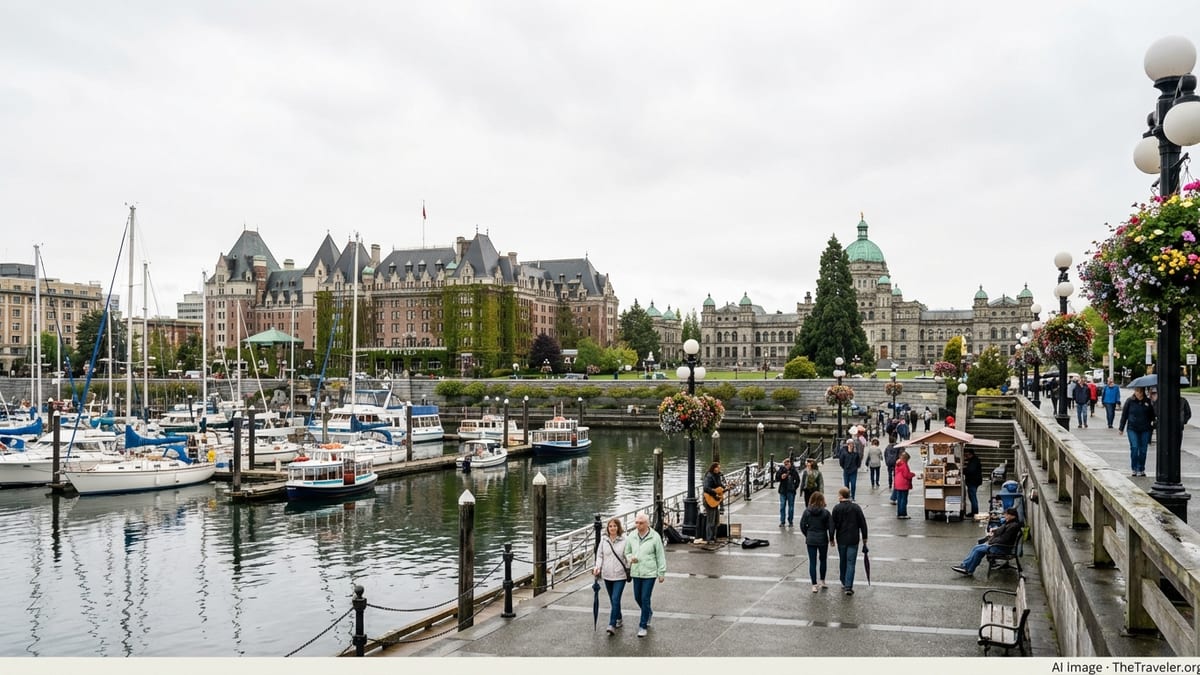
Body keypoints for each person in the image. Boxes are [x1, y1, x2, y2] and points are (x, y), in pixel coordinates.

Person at [625, 513, 666, 637]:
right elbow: (627, 552)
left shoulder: (655, 537)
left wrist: (661, 572)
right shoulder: (632, 536)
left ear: (647, 523)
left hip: (650, 572)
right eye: (636, 522)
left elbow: (660, 555)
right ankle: (648, 612)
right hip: (636, 571)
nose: (638, 525)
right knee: (637, 597)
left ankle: (643, 626)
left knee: (645, 597)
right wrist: (630, 558)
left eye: (641, 523)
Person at [952, 507, 1022, 576]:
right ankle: (965, 566)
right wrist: (994, 531)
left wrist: (991, 542)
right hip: (1000, 546)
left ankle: (968, 569)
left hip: (1002, 548)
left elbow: (1004, 539)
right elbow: (1001, 531)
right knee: (977, 547)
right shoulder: (1010, 523)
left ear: (1012, 515)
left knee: (978, 550)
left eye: (1006, 515)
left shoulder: (1013, 526)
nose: (1005, 516)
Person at [593, 517, 629, 635]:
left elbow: (627, 555)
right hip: (607, 575)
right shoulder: (604, 540)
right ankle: (619, 617)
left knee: (615, 598)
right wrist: (597, 567)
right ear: (607, 528)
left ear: (618, 527)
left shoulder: (624, 540)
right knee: (613, 600)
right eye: (610, 526)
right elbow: (600, 556)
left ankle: (611, 624)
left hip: (620, 575)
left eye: (614, 526)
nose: (612, 528)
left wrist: (631, 564)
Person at [831, 487, 868, 596]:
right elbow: (862, 523)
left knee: (843, 560)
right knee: (851, 562)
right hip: (853, 538)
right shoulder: (856, 508)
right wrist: (865, 537)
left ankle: (843, 580)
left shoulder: (837, 508)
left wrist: (831, 537)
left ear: (841, 496)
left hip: (841, 538)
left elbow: (833, 524)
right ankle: (848, 586)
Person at [799, 490, 833, 593]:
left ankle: (814, 584)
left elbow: (802, 525)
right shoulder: (826, 513)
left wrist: (807, 534)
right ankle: (822, 580)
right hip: (822, 538)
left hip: (811, 539)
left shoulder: (807, 512)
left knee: (812, 562)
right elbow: (831, 527)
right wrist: (831, 538)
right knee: (823, 560)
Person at [1119, 386, 1155, 477]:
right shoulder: (1130, 401)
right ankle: (1134, 468)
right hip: (1132, 428)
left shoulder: (1148, 402)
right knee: (1134, 447)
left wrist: (1154, 400)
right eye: (1136, 391)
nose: (1138, 393)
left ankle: (1141, 468)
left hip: (1145, 429)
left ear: (1143, 392)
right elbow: (1124, 415)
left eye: (1139, 391)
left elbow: (1153, 416)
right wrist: (1121, 428)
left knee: (1143, 450)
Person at [701, 462, 725, 543]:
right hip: (709, 499)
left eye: (719, 468)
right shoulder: (709, 476)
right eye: (717, 467)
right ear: (713, 468)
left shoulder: (718, 476)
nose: (719, 469)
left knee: (715, 520)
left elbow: (720, 487)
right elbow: (706, 488)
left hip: (715, 500)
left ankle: (714, 537)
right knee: (710, 520)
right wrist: (715, 493)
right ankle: (709, 538)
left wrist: (726, 487)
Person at [776, 457, 801, 527]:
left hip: (791, 491)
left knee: (791, 507)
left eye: (788, 463)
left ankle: (790, 521)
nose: (787, 465)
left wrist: (794, 487)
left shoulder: (793, 470)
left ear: (790, 463)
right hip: (783, 491)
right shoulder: (781, 470)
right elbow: (776, 478)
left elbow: (798, 480)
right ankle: (782, 521)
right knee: (782, 506)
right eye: (786, 464)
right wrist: (781, 477)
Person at [893, 450, 915, 518]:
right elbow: (906, 475)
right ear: (906, 459)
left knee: (899, 499)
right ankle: (903, 514)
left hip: (898, 483)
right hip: (903, 484)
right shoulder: (904, 464)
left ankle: (899, 513)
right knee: (904, 499)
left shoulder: (898, 463)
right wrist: (913, 474)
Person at [963, 447, 983, 518]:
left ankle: (975, 513)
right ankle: (974, 512)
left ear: (970, 454)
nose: (966, 456)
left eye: (967, 455)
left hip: (973, 481)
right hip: (974, 481)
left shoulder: (974, 461)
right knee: (972, 496)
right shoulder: (973, 460)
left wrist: (963, 470)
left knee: (972, 497)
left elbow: (970, 470)